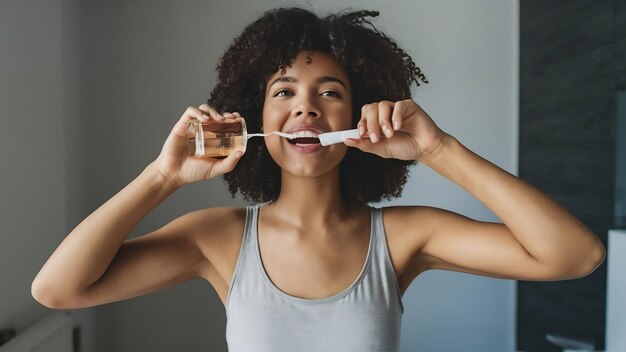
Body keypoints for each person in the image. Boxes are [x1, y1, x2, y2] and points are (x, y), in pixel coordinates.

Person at [31, 7, 605, 351]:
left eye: (330, 92)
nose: (306, 109)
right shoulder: (215, 238)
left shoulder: (408, 237)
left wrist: (439, 149)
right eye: (284, 93)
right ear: (256, 117)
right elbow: (57, 290)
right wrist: (162, 176)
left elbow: (575, 256)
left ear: (359, 116)